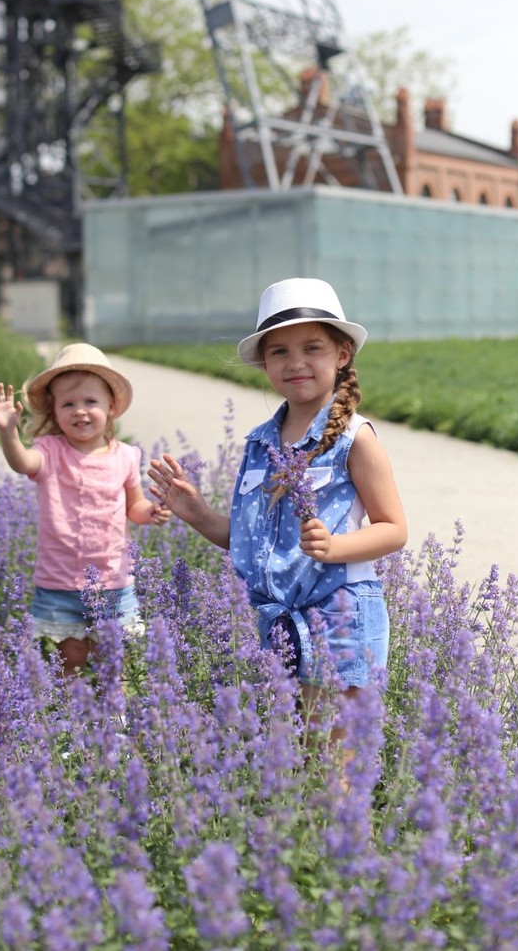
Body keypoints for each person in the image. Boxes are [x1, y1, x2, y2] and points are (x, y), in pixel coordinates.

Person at [149, 277, 408, 748]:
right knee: (300, 759)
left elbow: (394, 529)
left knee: (336, 764)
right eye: (280, 353)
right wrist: (199, 514)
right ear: (264, 364)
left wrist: (335, 546)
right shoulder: (259, 444)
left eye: (312, 347)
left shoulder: (355, 437)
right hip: (280, 624)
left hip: (340, 614)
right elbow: (253, 540)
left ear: (342, 354)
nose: (296, 363)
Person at [0, 342, 169, 676]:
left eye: (90, 402)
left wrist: (150, 512)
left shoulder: (125, 455)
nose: (80, 411)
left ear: (111, 406)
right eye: (68, 404)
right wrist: (8, 431)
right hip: (60, 581)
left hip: (112, 579)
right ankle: (73, 719)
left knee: (113, 659)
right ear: (54, 413)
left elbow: (134, 506)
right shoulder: (49, 451)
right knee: (71, 660)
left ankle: (117, 718)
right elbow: (22, 463)